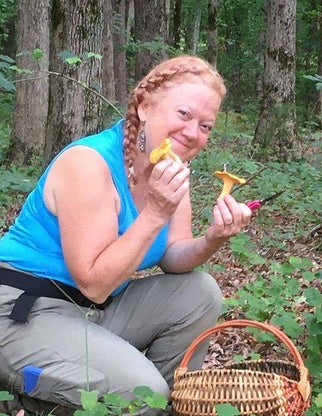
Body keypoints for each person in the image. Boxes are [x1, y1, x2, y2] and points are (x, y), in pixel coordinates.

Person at [0, 55, 252, 414]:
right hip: (23, 309)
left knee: (199, 292)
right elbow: (94, 282)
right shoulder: (88, 164)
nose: (194, 133)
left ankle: (162, 407)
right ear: (144, 107)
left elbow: (174, 255)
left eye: (206, 126)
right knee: (142, 390)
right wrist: (155, 212)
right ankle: (29, 398)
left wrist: (213, 237)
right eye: (183, 115)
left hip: (91, 310)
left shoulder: (171, 169)